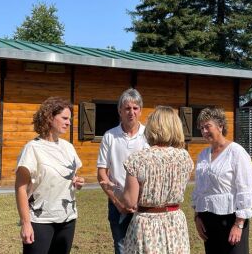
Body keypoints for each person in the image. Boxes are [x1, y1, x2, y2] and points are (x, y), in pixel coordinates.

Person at [101, 106, 194, 254]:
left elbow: (130, 201)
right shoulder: (184, 157)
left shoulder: (138, 159)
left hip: (147, 224)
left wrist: (114, 189)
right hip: (175, 222)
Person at [15, 96, 85, 254]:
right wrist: (26, 223)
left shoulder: (68, 147)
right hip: (40, 221)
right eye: (64, 118)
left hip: (68, 219)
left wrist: (77, 181)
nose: (69, 122)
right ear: (49, 117)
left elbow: (72, 176)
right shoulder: (32, 148)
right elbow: (20, 188)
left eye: (70, 119)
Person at [192, 107, 252, 254]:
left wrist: (239, 224)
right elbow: (199, 189)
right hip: (208, 219)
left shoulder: (236, 152)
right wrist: (197, 217)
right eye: (201, 128)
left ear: (220, 126)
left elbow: (245, 189)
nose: (204, 131)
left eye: (208, 126)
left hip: (231, 219)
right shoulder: (202, 155)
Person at [97, 88, 149, 254]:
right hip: (117, 203)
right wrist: (118, 202)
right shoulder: (110, 136)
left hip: (144, 204)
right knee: (121, 249)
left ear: (140, 111)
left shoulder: (149, 135)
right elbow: (102, 173)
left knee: (145, 249)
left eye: (135, 108)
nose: (131, 112)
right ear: (120, 111)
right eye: (127, 108)